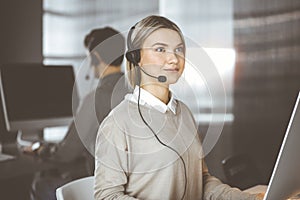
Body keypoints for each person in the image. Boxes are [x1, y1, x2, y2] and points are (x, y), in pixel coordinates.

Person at [94, 16, 264, 200]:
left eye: (178, 49)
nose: (174, 58)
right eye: (160, 49)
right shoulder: (118, 123)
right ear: (137, 58)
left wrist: (251, 198)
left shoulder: (184, 112)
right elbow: (107, 196)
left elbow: (202, 181)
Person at [27, 27, 127, 200]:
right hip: (133, 187)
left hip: (104, 188)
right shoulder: (138, 90)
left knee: (40, 184)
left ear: (96, 57)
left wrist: (40, 148)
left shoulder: (94, 99)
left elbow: (66, 154)